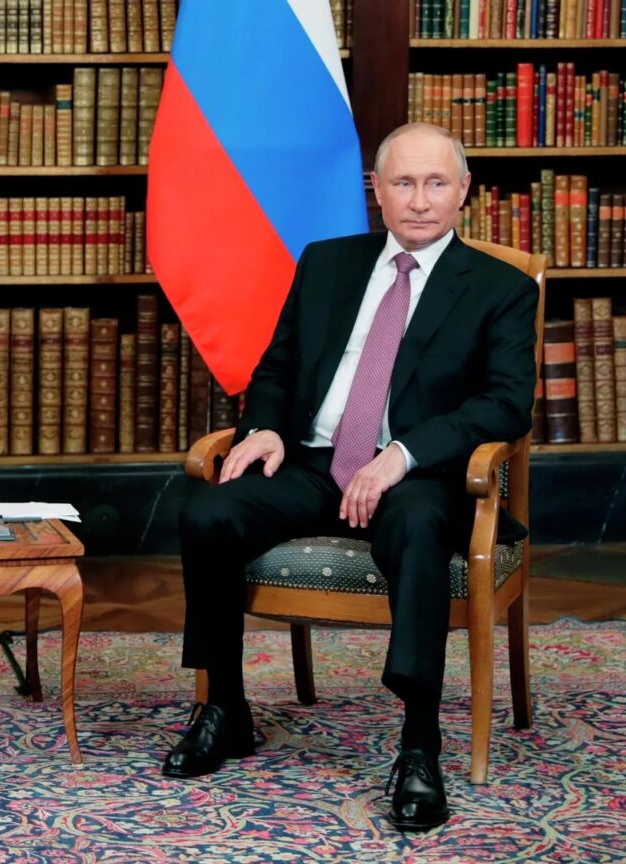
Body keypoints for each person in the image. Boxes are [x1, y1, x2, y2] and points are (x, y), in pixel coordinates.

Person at [163, 123, 537, 832]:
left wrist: (403, 454)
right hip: (313, 464)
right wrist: (265, 425)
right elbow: (277, 366)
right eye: (403, 183)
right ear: (377, 192)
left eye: (436, 183)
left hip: (418, 477)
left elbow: (505, 404)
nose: (419, 200)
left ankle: (419, 744)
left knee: (420, 525)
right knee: (208, 511)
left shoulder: (501, 288)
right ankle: (225, 707)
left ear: (463, 191)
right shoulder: (327, 263)